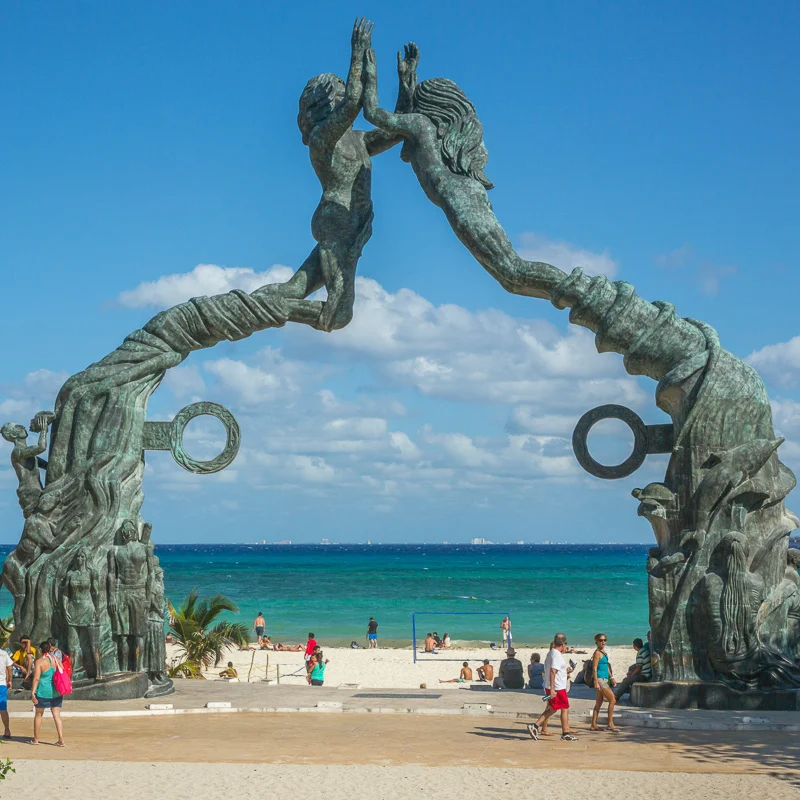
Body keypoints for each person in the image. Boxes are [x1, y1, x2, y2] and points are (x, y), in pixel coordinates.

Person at [527, 633, 577, 742]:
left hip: (552, 686)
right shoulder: (556, 655)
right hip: (557, 687)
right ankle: (564, 733)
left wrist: (566, 671)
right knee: (561, 708)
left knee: (553, 708)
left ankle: (537, 727)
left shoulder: (551, 653)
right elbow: (553, 671)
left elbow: (554, 670)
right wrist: (553, 689)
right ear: (563, 644)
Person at [30, 640, 65, 746]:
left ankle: (36, 739)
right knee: (57, 715)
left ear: (40, 650)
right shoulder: (56, 659)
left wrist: (33, 692)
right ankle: (61, 739)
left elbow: (36, 679)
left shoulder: (39, 662)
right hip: (56, 692)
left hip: (43, 692)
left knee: (39, 714)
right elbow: (62, 671)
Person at [589, 633, 618, 732]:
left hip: (605, 678)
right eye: (601, 640)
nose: (603, 642)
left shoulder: (604, 652)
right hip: (600, 679)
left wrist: (612, 677)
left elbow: (607, 666)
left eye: (604, 640)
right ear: (596, 641)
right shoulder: (597, 653)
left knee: (598, 703)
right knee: (613, 700)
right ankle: (610, 724)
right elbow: (594, 668)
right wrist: (596, 681)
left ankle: (593, 724)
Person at [615, 635, 652, 700]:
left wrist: (632, 675)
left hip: (645, 676)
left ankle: (616, 696)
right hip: (647, 672)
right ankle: (627, 690)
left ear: (634, 646)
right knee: (631, 669)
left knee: (626, 680)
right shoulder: (644, 650)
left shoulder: (640, 654)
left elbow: (639, 667)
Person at [0, 644, 12, 738]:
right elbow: (9, 668)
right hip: (2, 684)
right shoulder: (4, 653)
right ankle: (7, 730)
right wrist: (10, 680)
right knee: (3, 709)